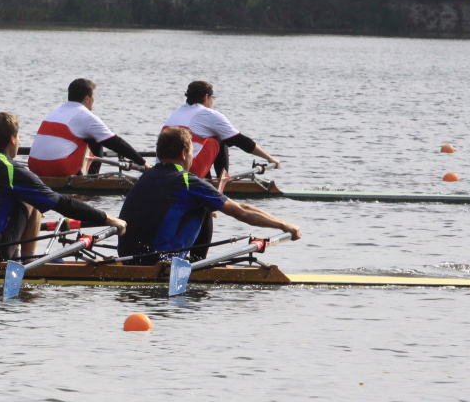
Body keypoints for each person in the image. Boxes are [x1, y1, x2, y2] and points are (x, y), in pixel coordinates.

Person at [0, 112, 127, 261]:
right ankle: (27, 262)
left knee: (21, 197)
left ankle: (17, 257)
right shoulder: (11, 170)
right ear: (12, 139)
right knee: (32, 199)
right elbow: (61, 203)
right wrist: (107, 218)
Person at [119, 127, 301, 264]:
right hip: (160, 259)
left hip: (126, 256)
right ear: (184, 154)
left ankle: (185, 262)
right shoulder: (187, 181)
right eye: (192, 152)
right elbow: (241, 211)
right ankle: (198, 264)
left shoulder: (145, 176)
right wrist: (285, 225)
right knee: (204, 203)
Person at [162, 80, 280, 186]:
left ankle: (206, 180)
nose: (212, 101)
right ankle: (223, 182)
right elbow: (240, 140)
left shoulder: (178, 111)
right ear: (206, 97)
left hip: (164, 169)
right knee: (221, 138)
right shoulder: (208, 114)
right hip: (187, 170)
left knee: (201, 141)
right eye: (212, 97)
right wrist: (269, 158)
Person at [28, 78, 145, 178]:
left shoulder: (56, 111)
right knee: (97, 139)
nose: (94, 100)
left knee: (84, 137)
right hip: (58, 168)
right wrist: (142, 162)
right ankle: (92, 179)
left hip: (33, 167)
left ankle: (86, 176)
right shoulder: (85, 116)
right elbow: (115, 142)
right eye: (93, 96)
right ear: (87, 99)